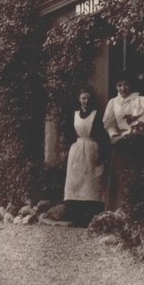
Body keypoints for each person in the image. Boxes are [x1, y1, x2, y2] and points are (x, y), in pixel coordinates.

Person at [102, 77, 144, 212]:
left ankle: (134, 211)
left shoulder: (140, 100)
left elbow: (143, 121)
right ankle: (117, 211)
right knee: (119, 175)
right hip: (120, 143)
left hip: (136, 141)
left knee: (134, 175)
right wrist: (114, 135)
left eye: (126, 85)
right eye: (119, 85)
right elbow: (109, 123)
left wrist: (129, 134)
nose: (123, 88)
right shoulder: (113, 102)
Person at [63, 88, 107, 226]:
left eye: (88, 98)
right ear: (79, 99)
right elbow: (69, 132)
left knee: (91, 183)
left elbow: (102, 134)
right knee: (76, 182)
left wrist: (100, 152)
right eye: (83, 98)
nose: (86, 101)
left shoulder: (96, 114)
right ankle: (75, 216)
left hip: (92, 149)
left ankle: (90, 218)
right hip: (76, 150)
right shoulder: (74, 114)